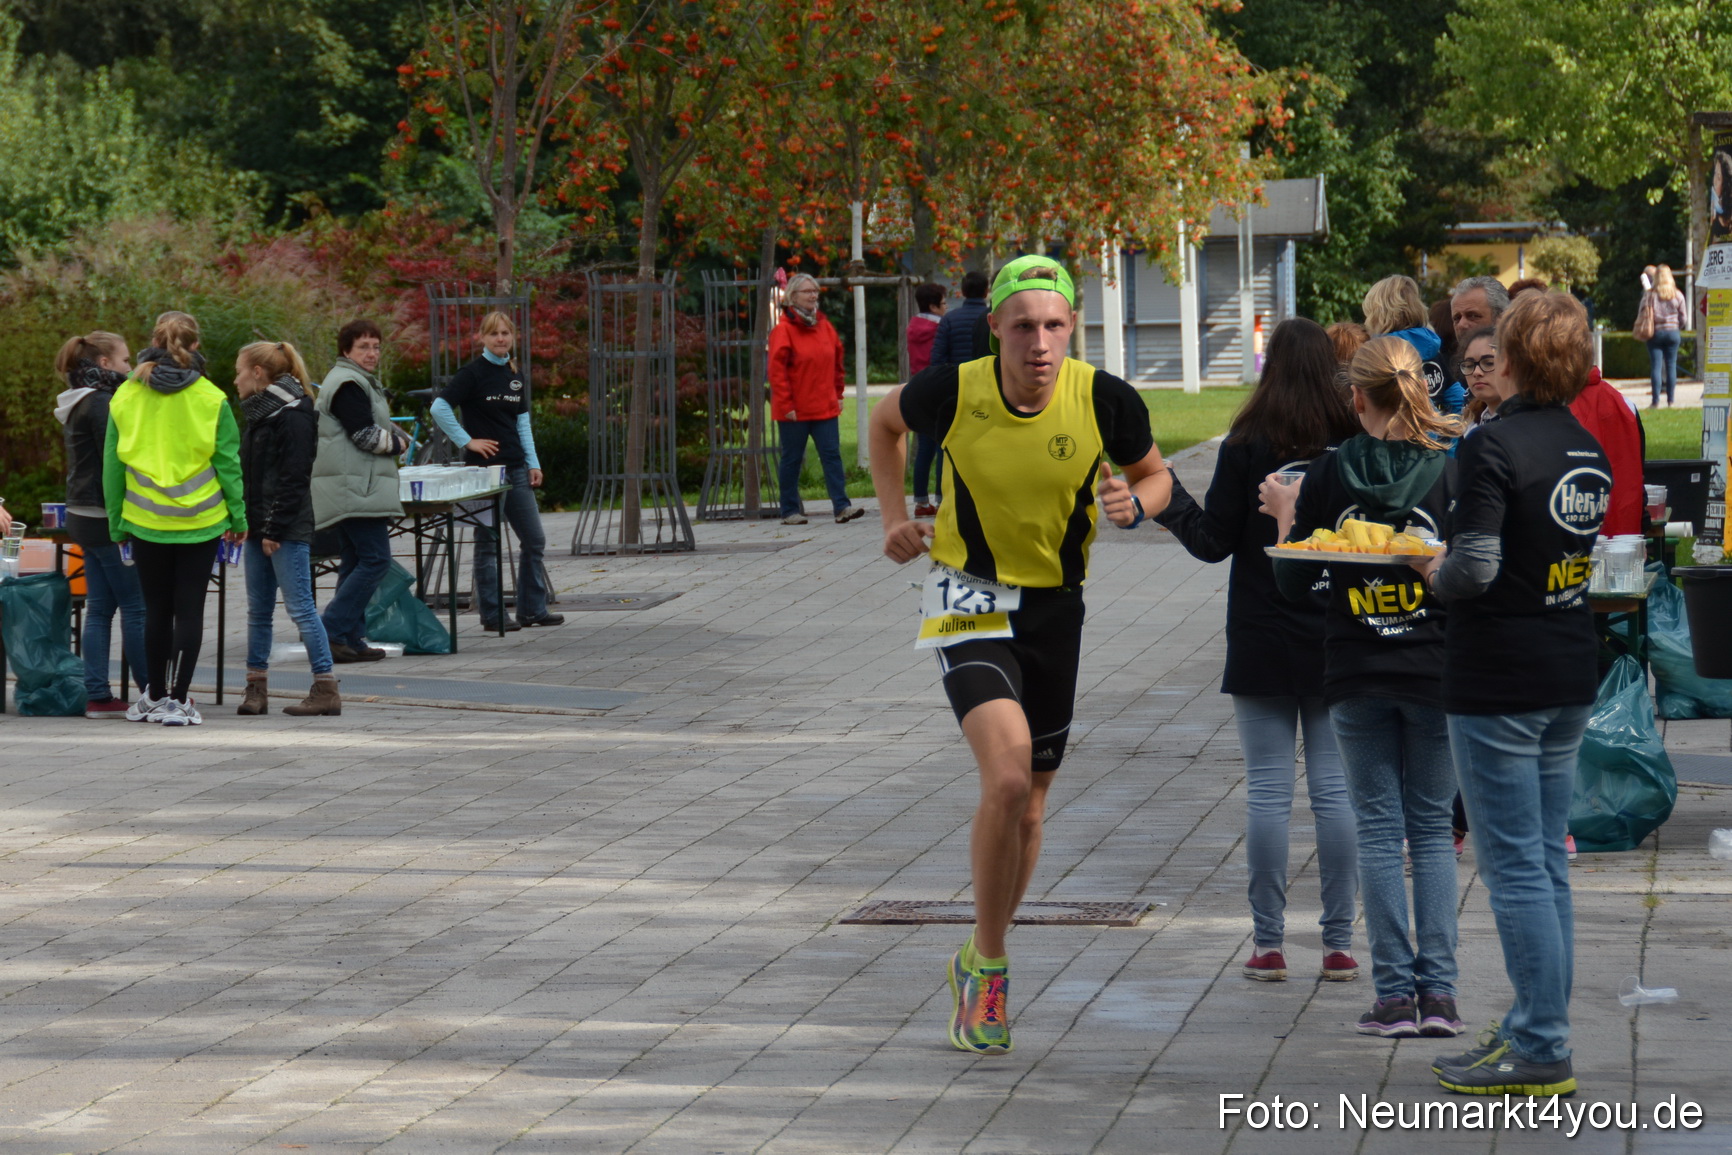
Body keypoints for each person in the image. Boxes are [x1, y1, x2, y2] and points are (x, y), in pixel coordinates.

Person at [867, 255, 1172, 1055]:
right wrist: (894, 516)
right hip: (968, 595)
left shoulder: (1105, 398)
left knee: (1031, 804)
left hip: (1055, 611)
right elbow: (883, 423)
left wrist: (1136, 501)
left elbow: (1157, 475)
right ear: (995, 326)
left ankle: (978, 946)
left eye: (1056, 325)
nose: (1041, 342)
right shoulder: (957, 389)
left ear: (1073, 327)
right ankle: (990, 970)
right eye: (1025, 325)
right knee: (1003, 776)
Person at [1412, 291, 1610, 1097]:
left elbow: (1475, 569)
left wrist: (1425, 567)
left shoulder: (1491, 449)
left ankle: (1540, 1043)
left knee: (1513, 868)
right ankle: (1538, 1025)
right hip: (1567, 669)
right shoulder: (1582, 444)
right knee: (1547, 865)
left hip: (1498, 680)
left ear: (1519, 357)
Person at [1263, 336, 1465, 1041]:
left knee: (1380, 831)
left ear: (1356, 398)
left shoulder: (1329, 471)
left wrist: (1286, 514)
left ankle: (1393, 997)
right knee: (1433, 830)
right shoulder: (1451, 468)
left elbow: (1293, 579)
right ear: (1420, 390)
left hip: (1354, 667)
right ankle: (1439, 994)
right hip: (1436, 668)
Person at [1153, 318, 1361, 984]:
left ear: (1268, 368)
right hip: (1336, 628)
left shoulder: (1246, 443)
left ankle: (1268, 944)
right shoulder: (1351, 442)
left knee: (1268, 792)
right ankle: (1338, 943)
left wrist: (1167, 499)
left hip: (1262, 629)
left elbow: (1214, 540)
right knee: (1335, 793)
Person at [102, 311, 246, 726]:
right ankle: (179, 701)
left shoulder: (126, 395)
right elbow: (228, 464)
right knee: (189, 610)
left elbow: (112, 468)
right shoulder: (212, 397)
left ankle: (153, 695)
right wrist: (238, 517)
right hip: (202, 519)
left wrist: (117, 523)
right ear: (195, 345)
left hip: (146, 519)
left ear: (153, 341)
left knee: (155, 610)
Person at [432, 310, 562, 631]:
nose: (501, 338)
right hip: (485, 472)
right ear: (482, 337)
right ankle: (492, 615)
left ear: (512, 337)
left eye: (505, 333)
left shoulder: (515, 376)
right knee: (487, 543)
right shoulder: (472, 374)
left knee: (534, 540)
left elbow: (522, 423)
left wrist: (533, 462)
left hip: (516, 468)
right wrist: (468, 441)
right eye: (494, 334)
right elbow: (439, 407)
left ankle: (532, 609)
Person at [235, 341, 341, 717]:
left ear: (259, 373)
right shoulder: (262, 414)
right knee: (258, 611)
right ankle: (255, 689)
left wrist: (274, 529)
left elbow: (294, 478)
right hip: (260, 525)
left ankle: (326, 687)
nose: (236, 379)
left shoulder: (293, 414)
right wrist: (246, 522)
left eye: (240, 371)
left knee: (301, 608)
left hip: (284, 528)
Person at [54, 331, 150, 717]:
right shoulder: (103, 404)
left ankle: (98, 695)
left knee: (98, 609)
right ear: (106, 364)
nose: (130, 368)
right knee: (136, 606)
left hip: (80, 512)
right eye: (126, 361)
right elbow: (120, 459)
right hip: (104, 513)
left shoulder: (78, 399)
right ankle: (154, 692)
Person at [311, 319, 408, 662]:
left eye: (376, 346)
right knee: (376, 559)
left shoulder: (356, 381)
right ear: (346, 350)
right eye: (364, 346)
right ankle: (332, 629)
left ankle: (350, 639)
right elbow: (364, 435)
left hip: (355, 485)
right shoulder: (347, 383)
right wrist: (398, 444)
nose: (372, 353)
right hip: (355, 488)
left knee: (355, 561)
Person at [770, 273, 862, 527]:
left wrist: (839, 394)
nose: (813, 295)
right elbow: (777, 372)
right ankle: (789, 511)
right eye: (807, 291)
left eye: (815, 291)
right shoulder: (783, 330)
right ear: (792, 297)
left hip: (824, 406)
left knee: (832, 456)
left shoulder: (824, 326)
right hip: (794, 411)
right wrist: (786, 404)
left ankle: (842, 507)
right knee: (792, 458)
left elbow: (837, 363)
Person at [1363, 275, 1462, 415]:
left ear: (1377, 314)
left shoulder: (1379, 353)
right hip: (1437, 431)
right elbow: (1458, 400)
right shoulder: (1432, 348)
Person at [905, 282, 947, 518]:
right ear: (933, 305)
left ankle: (921, 502)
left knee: (924, 449)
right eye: (943, 303)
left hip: (918, 388)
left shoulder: (913, 326)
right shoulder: (940, 328)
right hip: (938, 388)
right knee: (943, 446)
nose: (946, 307)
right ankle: (942, 499)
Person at [1642, 264, 1689, 408]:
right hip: (1673, 333)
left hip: (1655, 333)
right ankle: (1671, 401)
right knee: (1671, 366)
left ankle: (1655, 401)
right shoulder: (1677, 294)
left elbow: (1642, 313)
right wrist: (1676, 327)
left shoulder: (1650, 295)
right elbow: (1684, 318)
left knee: (1656, 367)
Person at [929, 270, 990, 369]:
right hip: (987, 377)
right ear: (986, 292)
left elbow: (937, 358)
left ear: (963, 291)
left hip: (957, 378)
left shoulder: (949, 319)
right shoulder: (994, 318)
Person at [1457, 326, 1503, 436]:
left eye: (1489, 363)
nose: (1476, 372)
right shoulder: (1470, 423)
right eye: (1469, 365)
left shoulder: (1527, 422)